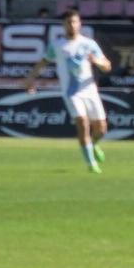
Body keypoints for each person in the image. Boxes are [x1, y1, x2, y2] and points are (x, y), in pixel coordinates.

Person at [19, 9, 111, 172]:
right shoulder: (57, 45)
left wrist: (96, 61)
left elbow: (107, 66)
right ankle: (91, 164)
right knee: (82, 123)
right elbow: (43, 62)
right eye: (69, 22)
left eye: (75, 22)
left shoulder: (89, 44)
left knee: (101, 129)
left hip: (90, 90)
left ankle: (93, 145)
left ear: (80, 23)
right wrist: (30, 79)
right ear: (63, 25)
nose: (72, 25)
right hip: (71, 92)